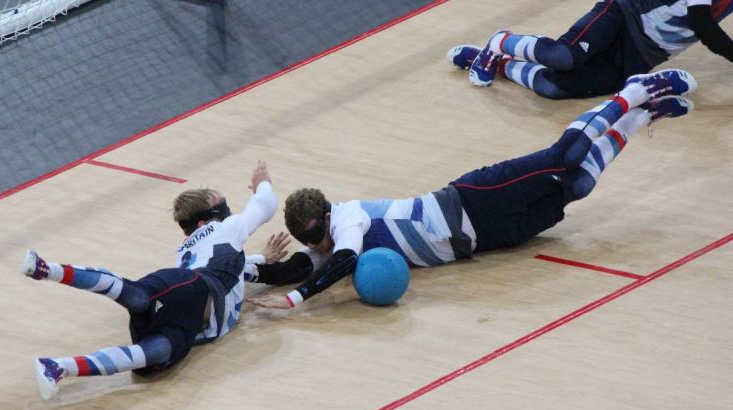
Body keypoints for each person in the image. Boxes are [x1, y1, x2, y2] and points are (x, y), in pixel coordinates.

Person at [246, 71, 696, 309]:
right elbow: (295, 270)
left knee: (562, 158)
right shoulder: (323, 244)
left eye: (315, 235)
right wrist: (252, 270)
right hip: (486, 239)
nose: (314, 245)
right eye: (308, 241)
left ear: (327, 215)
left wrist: (297, 300)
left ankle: (633, 94)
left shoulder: (348, 220)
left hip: (474, 198)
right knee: (577, 186)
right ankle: (640, 119)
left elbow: (342, 260)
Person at [22, 161, 282, 399]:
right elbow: (265, 205)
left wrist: (260, 258)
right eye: (220, 204)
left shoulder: (188, 250)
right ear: (206, 220)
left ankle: (57, 366)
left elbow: (230, 267)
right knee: (136, 302)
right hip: (196, 296)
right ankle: (47, 270)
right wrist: (262, 183)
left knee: (149, 350)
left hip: (194, 316)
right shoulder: (224, 228)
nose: (227, 207)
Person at [447, 0, 732, 99]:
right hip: (622, 15)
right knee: (564, 57)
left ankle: (500, 64)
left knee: (554, 89)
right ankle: (500, 41)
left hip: (643, 54)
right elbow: (703, 25)